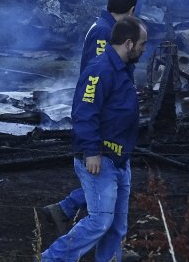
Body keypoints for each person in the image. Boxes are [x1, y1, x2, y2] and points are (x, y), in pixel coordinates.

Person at [41, 16, 148, 262]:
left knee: (116, 226)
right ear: (129, 44)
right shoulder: (100, 70)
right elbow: (84, 112)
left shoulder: (122, 69)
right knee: (100, 221)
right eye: (142, 44)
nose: (144, 49)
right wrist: (91, 151)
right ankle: (52, 259)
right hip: (100, 159)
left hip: (121, 158)